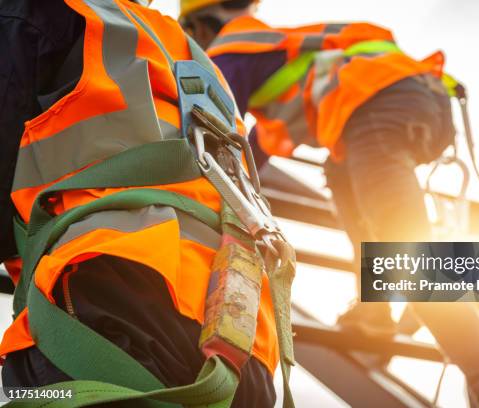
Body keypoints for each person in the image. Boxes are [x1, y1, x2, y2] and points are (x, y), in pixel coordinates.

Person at [181, 1, 479, 406]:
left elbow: (210, 130)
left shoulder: (232, 48)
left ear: (201, 26)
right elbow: (246, 157)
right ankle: (376, 312)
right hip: (406, 106)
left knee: (406, 252)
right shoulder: (275, 52)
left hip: (377, 107)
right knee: (344, 176)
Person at [0, 0, 283, 406]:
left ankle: (392, 300)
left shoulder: (36, 14)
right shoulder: (192, 56)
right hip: (243, 347)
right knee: (381, 210)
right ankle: (393, 299)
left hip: (114, 311)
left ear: (204, 20)